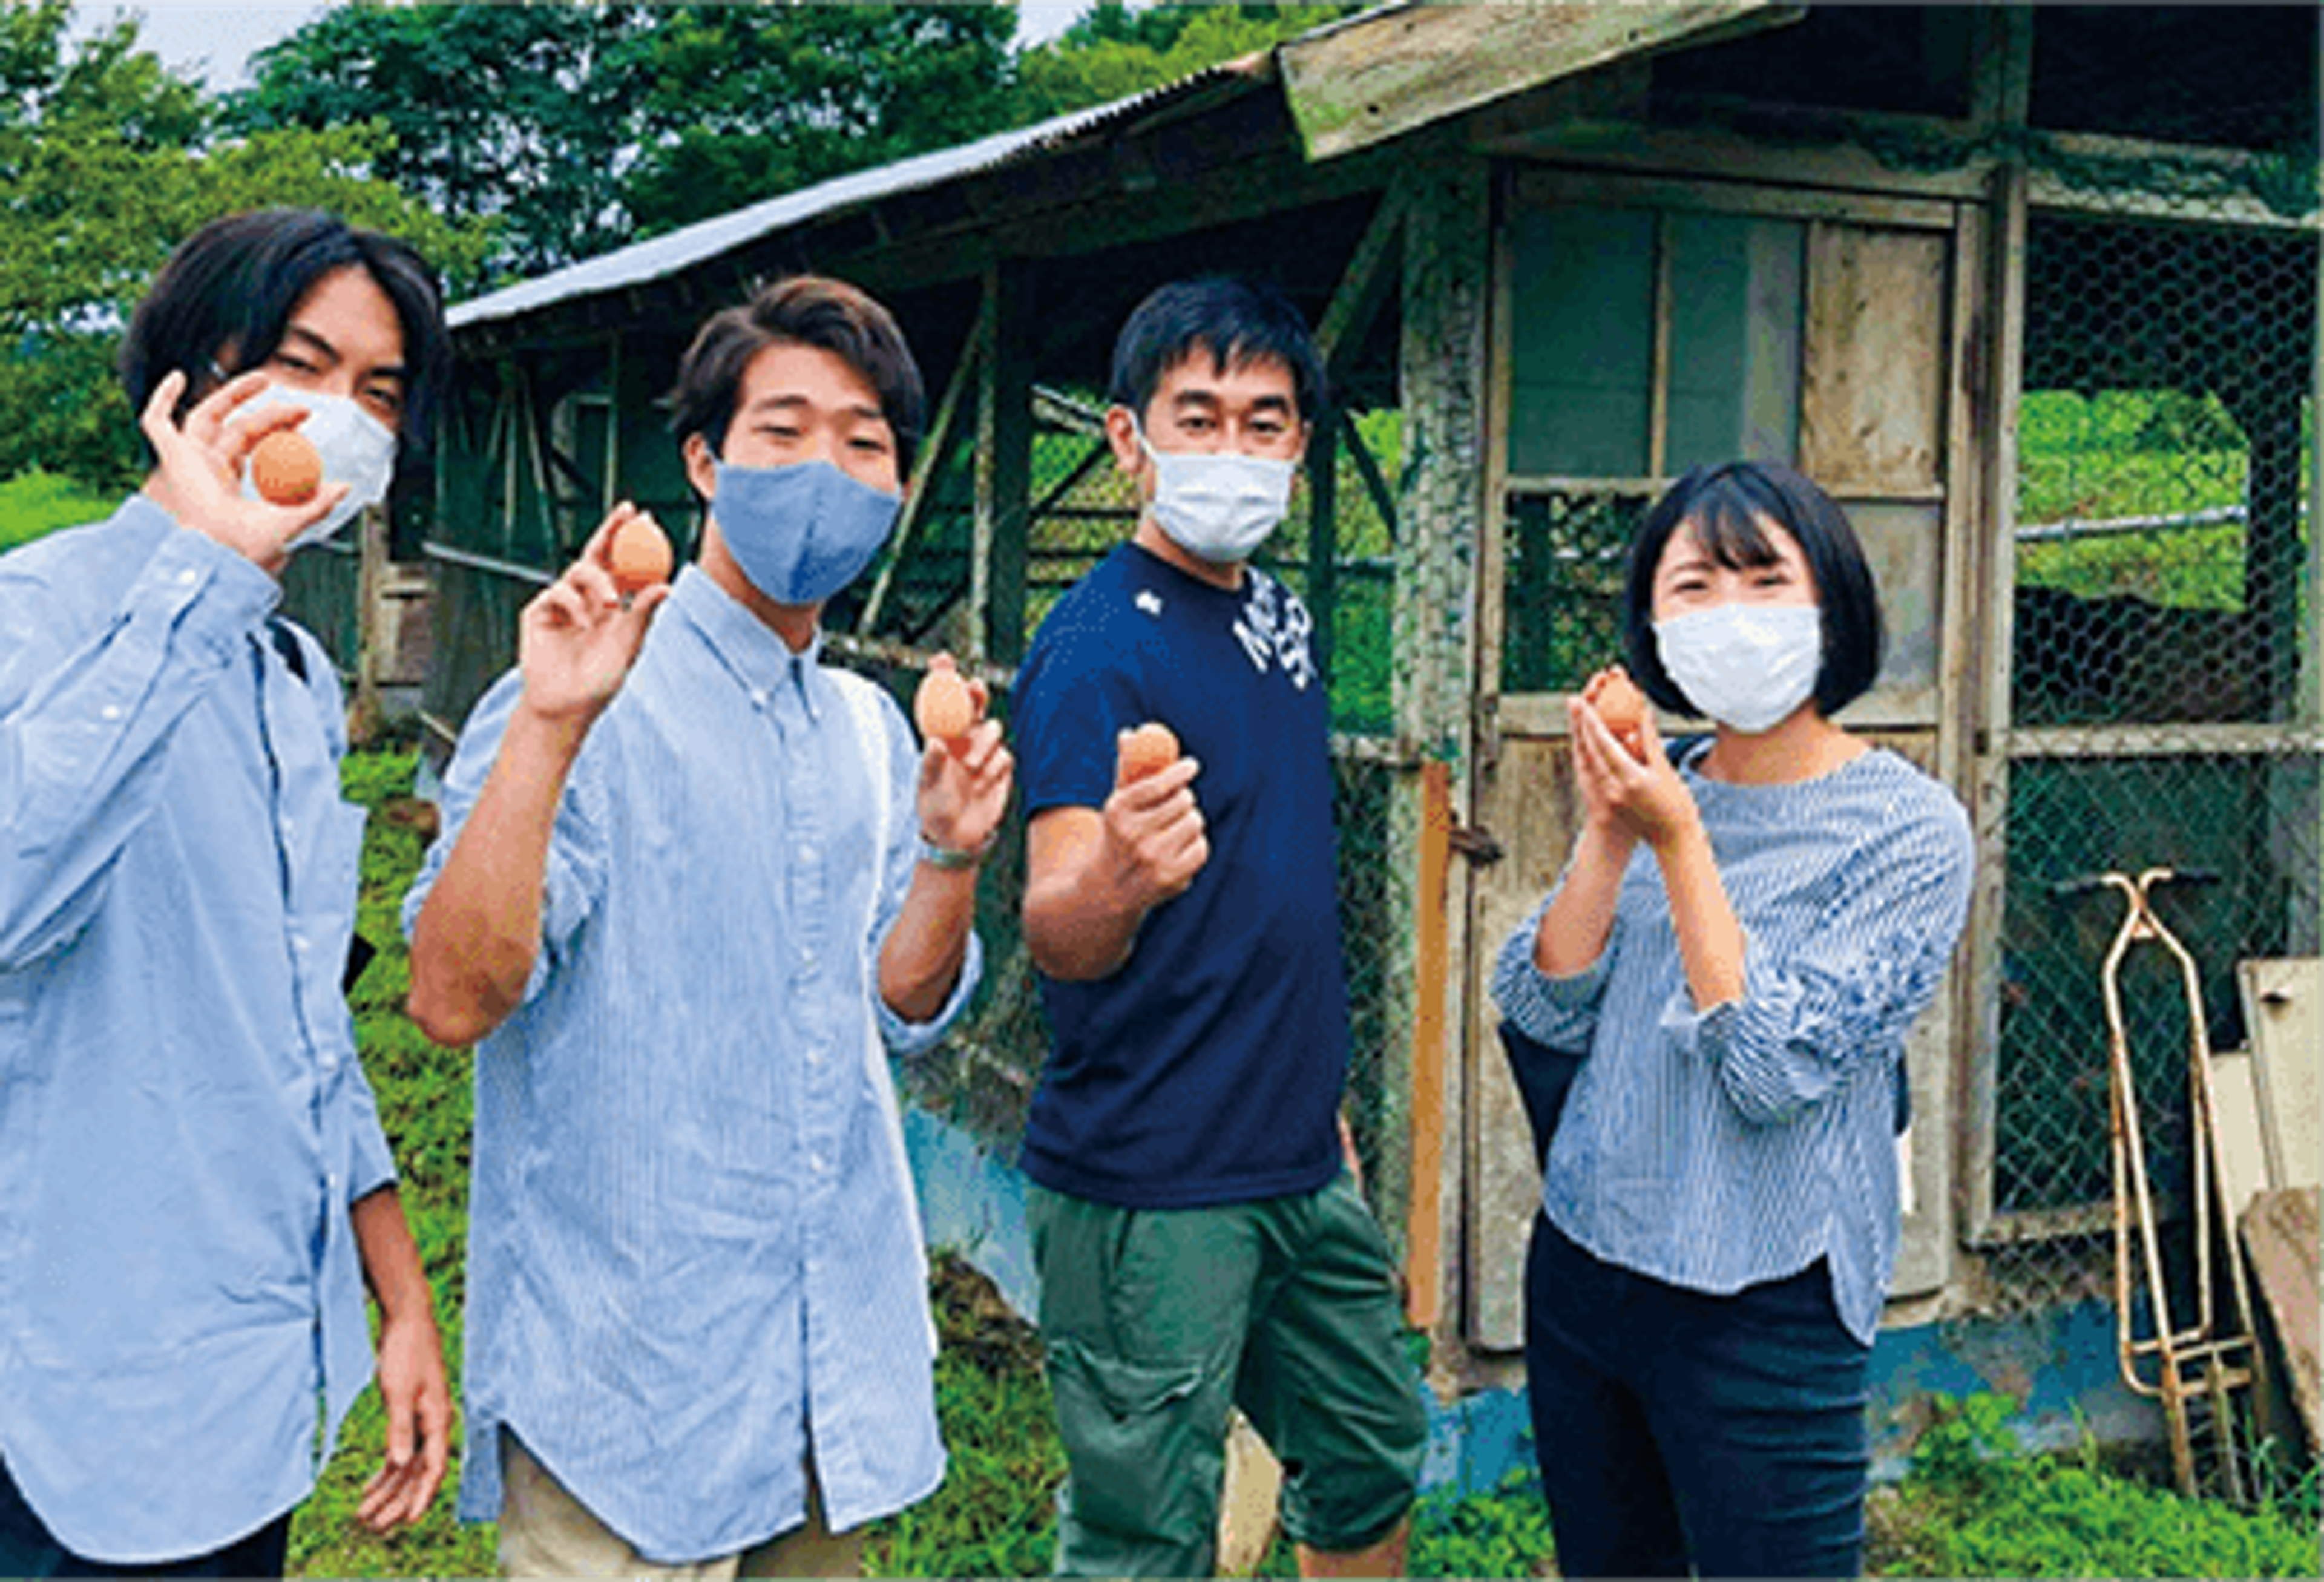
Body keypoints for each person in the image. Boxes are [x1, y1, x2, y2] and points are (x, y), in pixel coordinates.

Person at [402, 274, 1012, 1577]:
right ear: (703, 460)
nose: (825, 470)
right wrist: (554, 729)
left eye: (864, 443)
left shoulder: (863, 726)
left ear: (897, 486)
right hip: (628, 1384)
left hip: (823, 1372)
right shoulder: (581, 693)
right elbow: (454, 997)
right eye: (781, 431)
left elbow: (897, 1010)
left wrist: (952, 851)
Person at [0, 209, 453, 1574]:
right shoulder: (38, 613)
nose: (344, 417)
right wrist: (204, 571)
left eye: (380, 391)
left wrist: (400, 1290)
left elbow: (301, 1017)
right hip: (60, 1390)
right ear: (198, 377)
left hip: (247, 1379)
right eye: (305, 364)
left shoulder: (294, 681)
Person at [1011, 276, 1426, 1582]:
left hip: (1296, 1153)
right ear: (1130, 439)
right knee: (1147, 1535)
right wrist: (1122, 876)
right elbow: (1057, 928)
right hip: (1153, 1175)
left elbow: (1280, 880)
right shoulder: (1093, 648)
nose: (1234, 450)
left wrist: (1326, 1104)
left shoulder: (1278, 617)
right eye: (1198, 417)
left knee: (1368, 1447)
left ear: (1303, 443)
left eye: (1266, 420)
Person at [1492, 461, 1975, 1582]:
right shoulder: (1671, 789)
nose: (1730, 613)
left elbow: (1770, 1065)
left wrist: (1677, 839)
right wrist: (1611, 832)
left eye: (1765, 580)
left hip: (1765, 1301)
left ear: (1834, 605)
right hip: (1587, 1271)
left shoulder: (1908, 831)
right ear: (1654, 624)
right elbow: (1541, 1005)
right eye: (1695, 586)